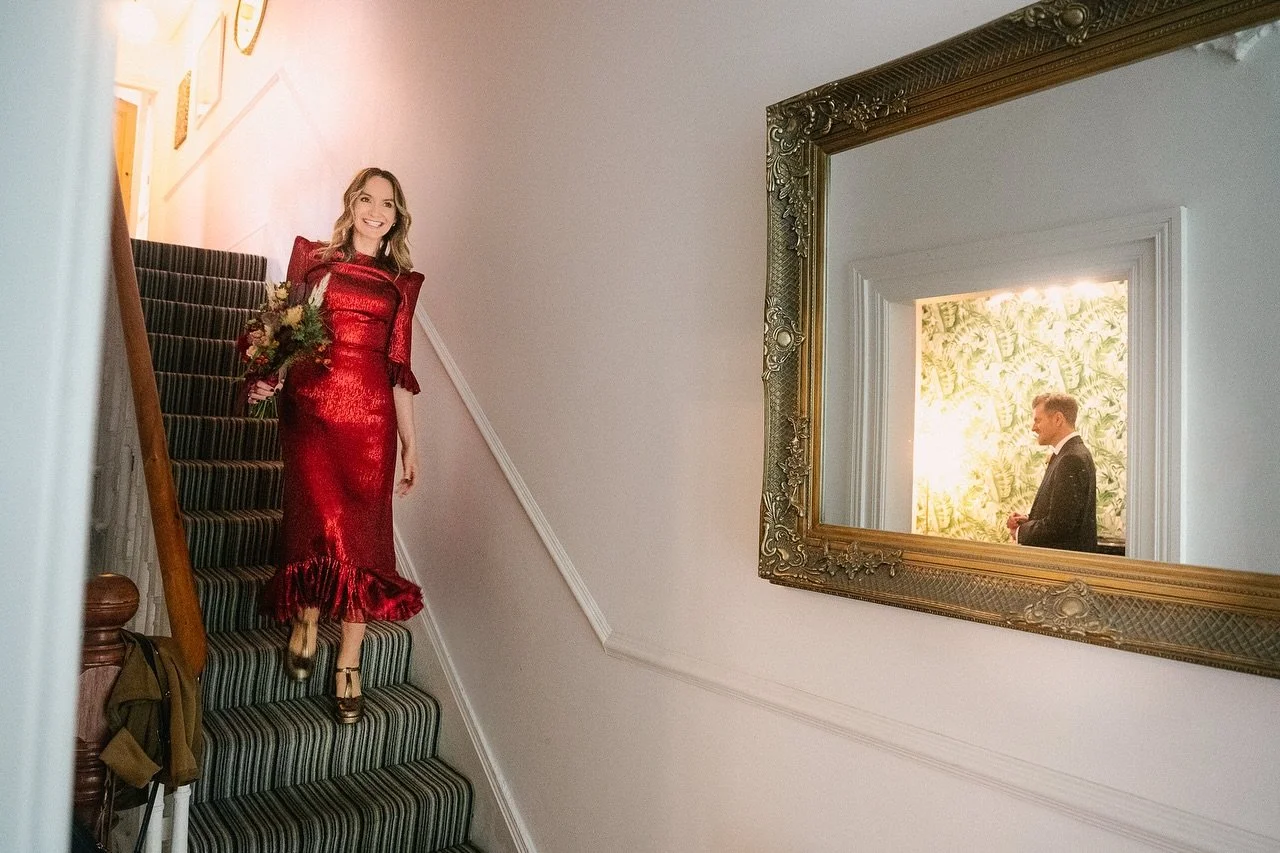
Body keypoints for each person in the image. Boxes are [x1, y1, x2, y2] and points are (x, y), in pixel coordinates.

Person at [248, 167, 425, 724]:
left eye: (388, 204)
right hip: (311, 411)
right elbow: (285, 332)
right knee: (312, 525)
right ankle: (304, 617)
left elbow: (400, 370)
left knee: (364, 540)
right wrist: (268, 371)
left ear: (397, 216)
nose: (376, 210)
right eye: (367, 198)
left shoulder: (401, 284)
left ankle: (349, 660)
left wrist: (410, 444)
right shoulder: (314, 263)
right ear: (351, 204)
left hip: (370, 420)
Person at [1005, 392, 1098, 552]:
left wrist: (1019, 532)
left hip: (1063, 568)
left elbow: (1059, 527)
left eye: (1037, 420)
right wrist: (1028, 521)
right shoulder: (1071, 453)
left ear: (1058, 419)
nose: (1033, 427)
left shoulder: (1071, 459)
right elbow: (1064, 515)